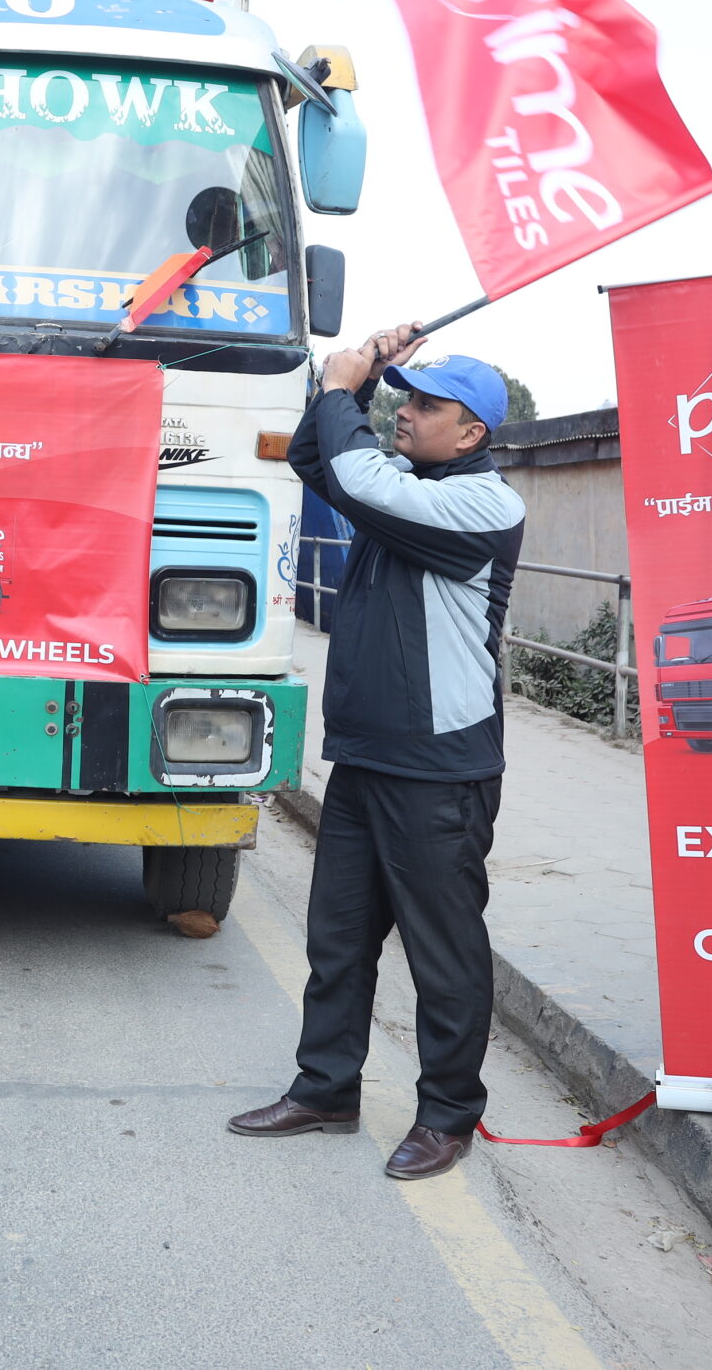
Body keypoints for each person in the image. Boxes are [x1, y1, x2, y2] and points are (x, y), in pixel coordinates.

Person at [230, 325, 525, 1181]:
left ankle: (447, 1114)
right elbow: (319, 463)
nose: (408, 413)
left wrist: (338, 380)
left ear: (472, 433)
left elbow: (352, 472)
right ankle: (325, 1089)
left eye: (427, 405)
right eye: (403, 399)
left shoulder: (484, 504)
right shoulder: (402, 480)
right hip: (367, 755)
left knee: (443, 950)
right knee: (340, 937)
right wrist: (347, 396)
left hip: (440, 766)